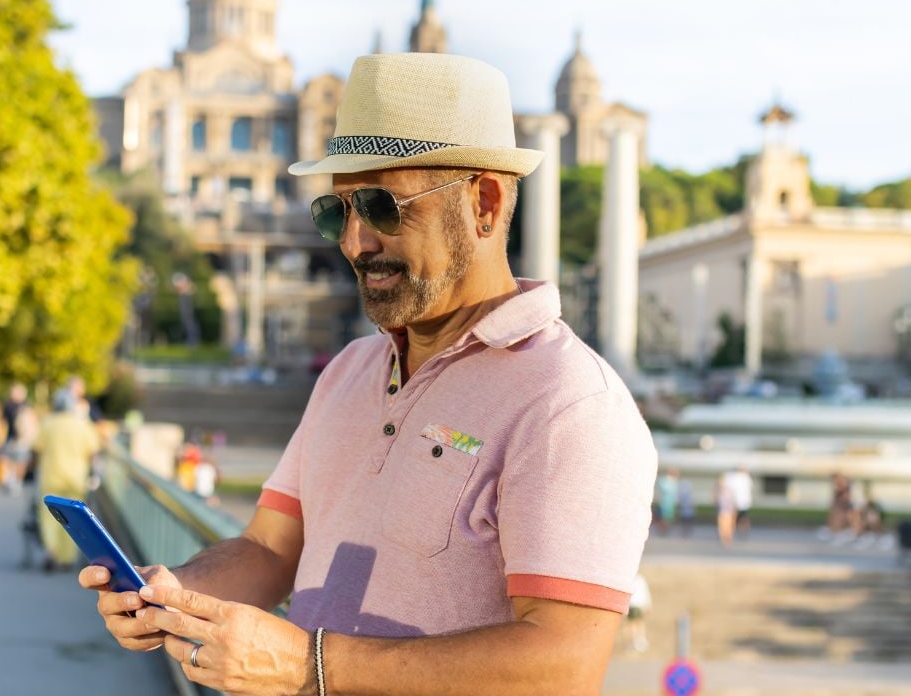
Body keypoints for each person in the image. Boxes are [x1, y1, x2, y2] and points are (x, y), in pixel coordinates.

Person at [80, 53, 657, 694]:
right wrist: (170, 593)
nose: (355, 242)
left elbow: (565, 668)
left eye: (383, 207)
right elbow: (271, 551)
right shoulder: (350, 370)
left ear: (485, 203)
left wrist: (308, 665)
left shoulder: (570, 403)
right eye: (336, 211)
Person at [34, 391, 102, 571]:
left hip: (51, 476)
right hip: (76, 478)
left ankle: (51, 550)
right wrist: (94, 475)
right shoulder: (83, 425)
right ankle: (67, 558)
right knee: (72, 517)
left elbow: (37, 449)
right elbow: (93, 453)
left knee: (49, 516)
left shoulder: (48, 423)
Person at [0, 383, 37, 496]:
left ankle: (16, 481)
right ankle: (11, 480)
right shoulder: (9, 406)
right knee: (10, 460)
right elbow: (3, 422)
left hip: (21, 438)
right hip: (11, 437)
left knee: (20, 461)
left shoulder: (25, 406)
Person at [725, 465, 754, 538]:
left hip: (736, 501)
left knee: (734, 517)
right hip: (744, 501)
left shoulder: (734, 477)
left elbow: (730, 489)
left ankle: (731, 531)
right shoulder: (746, 477)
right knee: (744, 517)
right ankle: (744, 530)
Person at [655, 468, 680, 536]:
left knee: (668, 518)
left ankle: (665, 531)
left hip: (669, 503)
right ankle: (662, 530)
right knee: (664, 517)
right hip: (664, 503)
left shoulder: (674, 482)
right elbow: (665, 489)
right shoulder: (665, 480)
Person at [716, 473, 738, 546]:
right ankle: (723, 537)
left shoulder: (729, 490)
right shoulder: (718, 490)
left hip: (728, 510)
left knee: (728, 524)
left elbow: (732, 500)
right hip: (722, 509)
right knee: (722, 524)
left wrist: (734, 509)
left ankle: (728, 536)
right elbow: (716, 500)